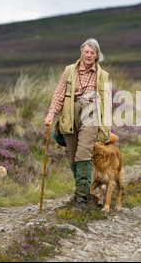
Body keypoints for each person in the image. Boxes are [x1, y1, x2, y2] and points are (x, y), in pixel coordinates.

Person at [44, 38, 110, 206]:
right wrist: (51, 114)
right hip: (69, 113)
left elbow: (106, 100)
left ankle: (81, 198)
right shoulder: (69, 70)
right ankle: (84, 189)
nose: (89, 55)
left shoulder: (102, 75)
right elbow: (59, 94)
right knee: (73, 158)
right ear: (81, 53)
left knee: (83, 155)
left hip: (91, 113)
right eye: (86, 52)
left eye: (92, 53)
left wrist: (105, 123)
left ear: (97, 56)